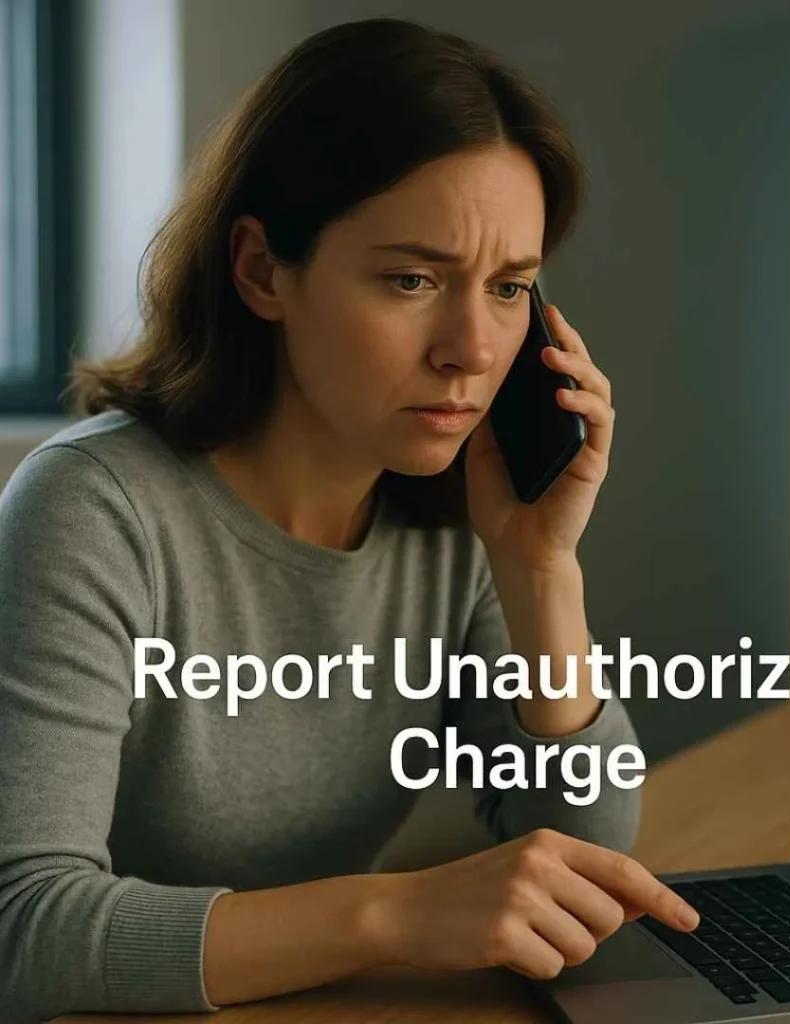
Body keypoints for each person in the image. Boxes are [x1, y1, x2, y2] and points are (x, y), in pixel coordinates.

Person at [0, 17, 698, 1022]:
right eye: (411, 279)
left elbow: (581, 852)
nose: (470, 347)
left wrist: (544, 570)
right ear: (258, 270)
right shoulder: (93, 507)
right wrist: (392, 914)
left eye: (508, 288)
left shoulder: (463, 518)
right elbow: (26, 928)